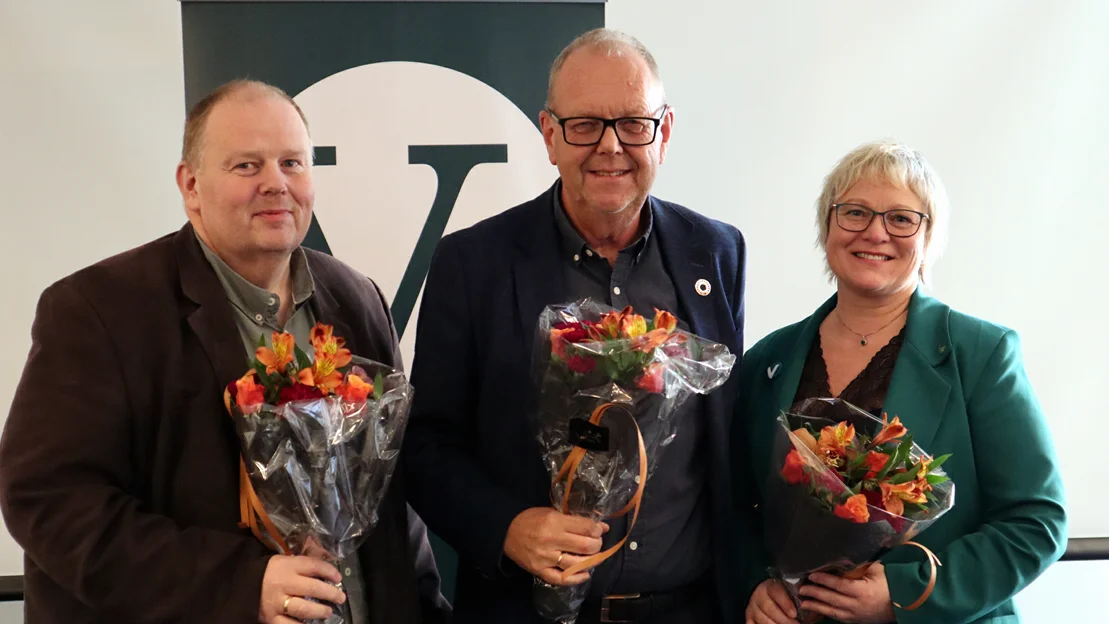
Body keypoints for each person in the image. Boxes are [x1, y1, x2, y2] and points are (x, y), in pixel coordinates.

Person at [0, 79, 449, 623]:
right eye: (246, 166)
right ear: (190, 185)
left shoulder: (359, 299)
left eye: (293, 163)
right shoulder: (97, 309)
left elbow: (387, 495)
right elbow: (50, 502)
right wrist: (240, 585)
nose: (276, 185)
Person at [402, 28, 749, 624]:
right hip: (524, 610)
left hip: (690, 609)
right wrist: (507, 528)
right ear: (550, 135)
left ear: (663, 133)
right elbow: (426, 447)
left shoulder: (715, 252)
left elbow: (725, 435)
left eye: (634, 124)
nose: (610, 147)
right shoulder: (473, 263)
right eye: (585, 125)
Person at [737, 141, 1067, 624]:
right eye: (854, 212)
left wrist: (906, 593)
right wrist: (757, 584)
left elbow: (1037, 522)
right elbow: (738, 509)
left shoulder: (980, 354)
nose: (875, 232)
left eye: (901, 218)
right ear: (827, 227)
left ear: (929, 237)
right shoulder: (768, 359)